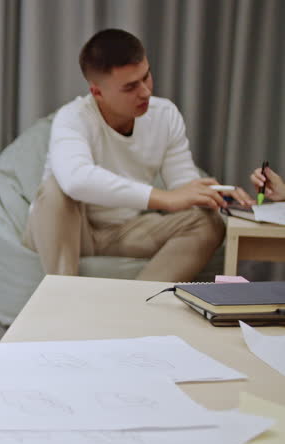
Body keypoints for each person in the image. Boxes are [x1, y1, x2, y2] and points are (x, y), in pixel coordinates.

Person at [22, 28, 253, 282]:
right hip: (67, 231)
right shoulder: (72, 118)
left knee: (209, 223)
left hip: (124, 230)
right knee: (55, 189)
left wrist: (215, 194)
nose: (145, 92)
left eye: (146, 76)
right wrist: (164, 199)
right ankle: (64, 297)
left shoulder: (164, 115)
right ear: (97, 92)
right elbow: (76, 180)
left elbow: (182, 185)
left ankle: (138, 305)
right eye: (131, 86)